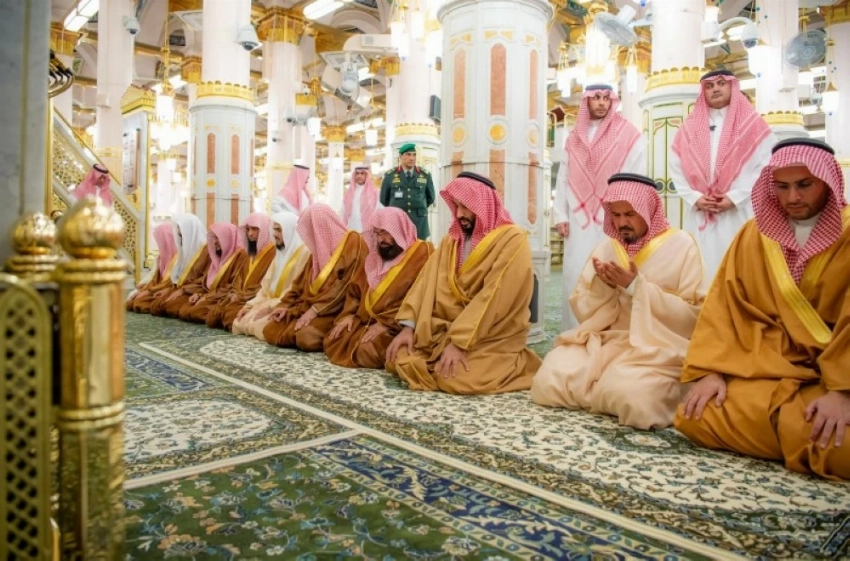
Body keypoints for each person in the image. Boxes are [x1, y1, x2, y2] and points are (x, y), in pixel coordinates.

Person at [674, 138, 850, 481]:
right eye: (782, 187)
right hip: (768, 370)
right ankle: (794, 431)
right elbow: (725, 308)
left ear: (827, 182)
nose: (793, 198)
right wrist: (713, 372)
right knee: (695, 416)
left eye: (804, 185)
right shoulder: (755, 234)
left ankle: (787, 428)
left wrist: (842, 392)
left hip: (834, 378)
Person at [531, 173, 707, 429]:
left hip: (657, 347)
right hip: (607, 341)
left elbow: (695, 315)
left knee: (634, 398)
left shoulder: (682, 246)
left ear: (648, 211)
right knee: (549, 378)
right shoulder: (607, 249)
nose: (622, 222)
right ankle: (604, 387)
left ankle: (608, 386)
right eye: (615, 214)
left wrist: (636, 287)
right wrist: (603, 287)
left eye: (629, 214)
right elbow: (582, 309)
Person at [385, 172, 541, 394]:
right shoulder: (452, 240)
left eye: (466, 207)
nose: (459, 214)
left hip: (492, 336)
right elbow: (425, 284)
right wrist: (408, 328)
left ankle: (521, 365)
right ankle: (442, 357)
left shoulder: (512, 240)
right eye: (456, 206)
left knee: (454, 379)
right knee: (397, 357)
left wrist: (459, 342)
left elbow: (494, 298)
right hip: (445, 330)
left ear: (483, 205)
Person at [554, 84, 646, 331]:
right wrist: (560, 214)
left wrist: (630, 210)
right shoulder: (574, 138)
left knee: (609, 268)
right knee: (576, 271)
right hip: (578, 218)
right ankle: (574, 329)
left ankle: (609, 329)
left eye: (607, 98)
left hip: (613, 214)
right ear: (587, 101)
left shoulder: (626, 132)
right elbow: (564, 177)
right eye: (596, 98)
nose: (602, 103)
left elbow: (636, 169)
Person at [670, 69, 775, 282]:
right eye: (709, 86)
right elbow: (676, 168)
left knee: (739, 271)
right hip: (700, 212)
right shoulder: (688, 128)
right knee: (700, 271)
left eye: (720, 83)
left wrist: (735, 197)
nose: (715, 89)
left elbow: (766, 168)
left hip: (738, 213)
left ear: (732, 86)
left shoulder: (753, 125)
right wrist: (695, 198)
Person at [324, 207, 433, 369]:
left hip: (400, 326)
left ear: (399, 230)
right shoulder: (374, 256)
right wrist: (349, 315)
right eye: (377, 233)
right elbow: (355, 291)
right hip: (367, 321)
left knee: (366, 351)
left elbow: (422, 296)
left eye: (386, 233)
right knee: (334, 338)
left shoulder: (422, 252)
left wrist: (386, 324)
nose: (381, 240)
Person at [263, 204, 368, 351]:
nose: (310, 235)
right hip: (309, 307)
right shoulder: (317, 253)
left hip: (336, 310)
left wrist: (315, 310)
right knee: (271, 329)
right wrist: (285, 305)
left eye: (312, 229)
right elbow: (299, 284)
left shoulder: (354, 243)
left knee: (305, 337)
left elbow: (345, 286)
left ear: (322, 225)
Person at [232, 211, 311, 341]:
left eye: (279, 230)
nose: (275, 234)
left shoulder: (304, 253)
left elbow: (295, 290)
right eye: (274, 230)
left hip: (285, 304)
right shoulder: (280, 253)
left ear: (291, 230)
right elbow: (265, 288)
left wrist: (271, 307)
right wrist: (249, 306)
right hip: (268, 302)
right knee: (238, 322)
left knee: (257, 325)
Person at [205, 213, 277, 330]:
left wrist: (241, 297)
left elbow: (263, 285)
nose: (250, 234)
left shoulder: (273, 253)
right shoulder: (250, 253)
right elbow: (239, 279)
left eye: (255, 229)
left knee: (228, 316)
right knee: (214, 315)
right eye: (248, 229)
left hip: (253, 299)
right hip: (240, 298)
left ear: (264, 230)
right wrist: (235, 293)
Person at [176, 222, 247, 323]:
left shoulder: (240, 256)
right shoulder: (218, 257)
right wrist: (199, 294)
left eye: (218, 238)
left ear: (227, 238)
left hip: (222, 298)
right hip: (211, 296)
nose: (215, 242)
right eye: (213, 238)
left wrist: (207, 297)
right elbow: (207, 282)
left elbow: (232, 286)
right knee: (185, 310)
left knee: (196, 312)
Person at [150, 213, 210, 318]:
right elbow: (178, 278)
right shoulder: (183, 252)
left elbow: (205, 280)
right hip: (183, 290)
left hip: (194, 291)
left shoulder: (207, 251)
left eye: (181, 232)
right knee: (158, 305)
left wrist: (184, 291)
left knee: (172, 307)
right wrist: (171, 289)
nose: (179, 234)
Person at [380, 144, 435, 240]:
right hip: (397, 222)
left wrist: (418, 205)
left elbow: (431, 197)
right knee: (398, 251)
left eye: (414, 155)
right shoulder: (390, 175)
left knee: (419, 252)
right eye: (408, 154)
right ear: (401, 156)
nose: (412, 158)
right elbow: (384, 199)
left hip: (419, 222)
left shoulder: (425, 175)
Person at [126, 222, 178, 313]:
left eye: (162, 240)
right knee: (132, 302)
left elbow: (175, 283)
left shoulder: (179, 258)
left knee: (144, 303)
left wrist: (150, 291)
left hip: (168, 290)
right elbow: (153, 275)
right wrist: (143, 285)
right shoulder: (160, 257)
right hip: (156, 288)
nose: (160, 243)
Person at [341, 165, 381, 232]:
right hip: (351, 229)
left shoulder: (375, 194)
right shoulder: (348, 194)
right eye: (357, 173)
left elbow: (379, 212)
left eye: (362, 173)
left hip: (369, 230)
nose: (359, 176)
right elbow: (343, 212)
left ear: (367, 175)